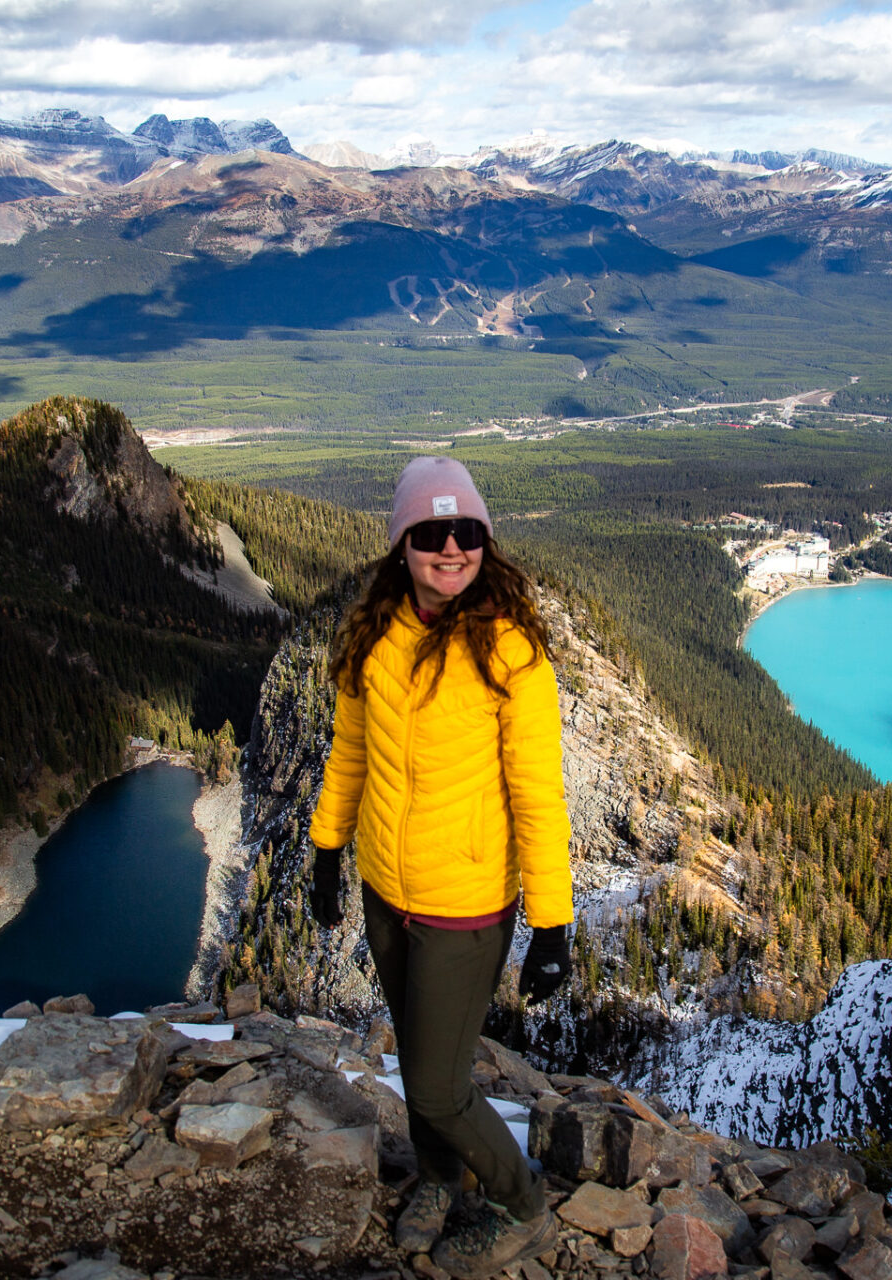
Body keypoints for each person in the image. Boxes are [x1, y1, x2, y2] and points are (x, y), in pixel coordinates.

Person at [307, 454, 574, 1279]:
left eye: (467, 533)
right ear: (402, 544)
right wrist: (326, 850)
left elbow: (539, 797)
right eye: (431, 532)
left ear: (485, 542)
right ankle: (436, 1176)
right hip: (388, 892)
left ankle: (520, 1208)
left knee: (434, 1085)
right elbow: (350, 753)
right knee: (419, 1058)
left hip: (466, 905)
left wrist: (553, 922)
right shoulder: (375, 634)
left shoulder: (511, 653)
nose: (451, 548)